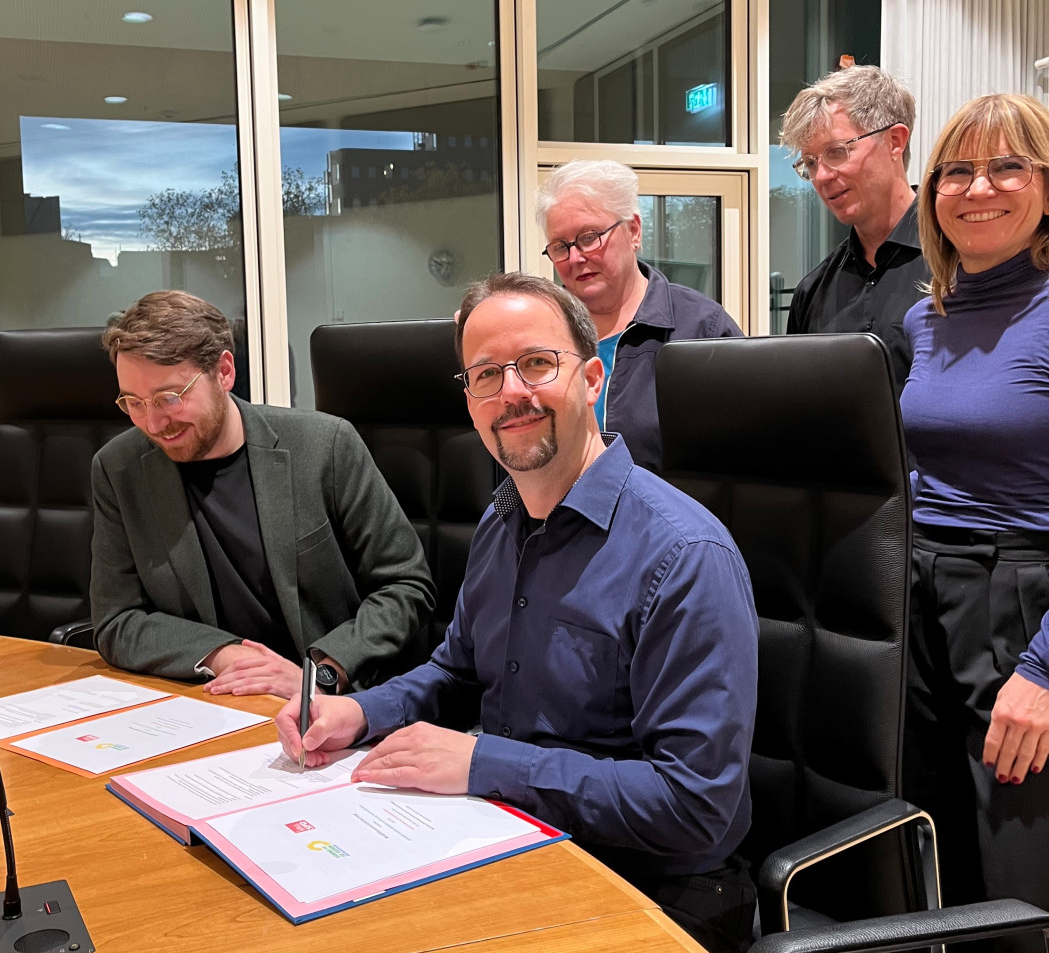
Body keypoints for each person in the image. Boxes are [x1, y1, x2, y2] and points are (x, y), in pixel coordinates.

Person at [277, 273, 759, 953]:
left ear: (592, 379)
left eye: (536, 363)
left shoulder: (684, 555)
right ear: (470, 401)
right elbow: (457, 670)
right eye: (486, 374)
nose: (511, 392)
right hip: (511, 840)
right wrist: (359, 711)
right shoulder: (502, 520)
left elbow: (693, 804)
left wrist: (484, 762)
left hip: (656, 892)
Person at [90, 290, 435, 697]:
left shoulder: (324, 446)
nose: (152, 423)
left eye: (169, 398)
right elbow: (117, 620)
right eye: (133, 402)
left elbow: (405, 587)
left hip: (335, 702)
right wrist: (223, 655)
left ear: (224, 372)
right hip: (209, 700)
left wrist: (319, 676)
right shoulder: (119, 468)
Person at [901, 93, 1049, 942]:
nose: (977, 187)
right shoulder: (929, 314)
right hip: (925, 595)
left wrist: (1045, 669)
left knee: (1019, 878)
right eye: (955, 170)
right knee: (942, 855)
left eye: (1008, 166)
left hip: (1021, 604)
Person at [535, 159, 741, 473]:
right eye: (560, 247)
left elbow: (738, 463)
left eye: (589, 237)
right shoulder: (538, 330)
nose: (575, 257)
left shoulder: (702, 329)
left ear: (633, 230)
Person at [780, 65, 928, 393]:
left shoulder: (960, 265)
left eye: (837, 152)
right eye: (811, 163)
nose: (821, 176)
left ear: (894, 141)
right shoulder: (812, 291)